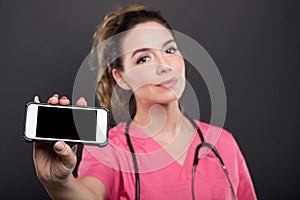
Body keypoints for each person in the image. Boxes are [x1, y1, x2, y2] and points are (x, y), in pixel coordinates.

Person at [33, 4, 257, 200]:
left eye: (169, 50)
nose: (163, 65)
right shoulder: (110, 148)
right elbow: (89, 194)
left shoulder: (224, 144)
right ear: (122, 78)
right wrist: (59, 184)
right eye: (143, 58)